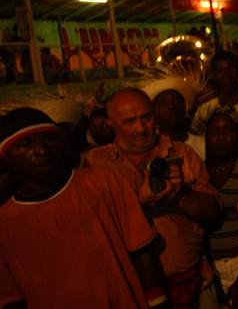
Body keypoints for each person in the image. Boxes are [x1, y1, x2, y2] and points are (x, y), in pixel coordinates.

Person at [0, 107, 170, 308]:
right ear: (7, 156)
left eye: (50, 140)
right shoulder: (5, 221)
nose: (42, 150)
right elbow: (10, 297)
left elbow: (142, 253)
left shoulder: (102, 182)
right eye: (26, 144)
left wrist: (158, 304)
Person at [85, 87, 221, 307]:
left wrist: (181, 194)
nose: (141, 128)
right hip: (137, 295)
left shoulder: (182, 153)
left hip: (195, 283)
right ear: (111, 124)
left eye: (146, 117)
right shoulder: (99, 163)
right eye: (129, 121)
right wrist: (140, 201)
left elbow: (212, 212)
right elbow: (93, 230)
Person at [203, 107, 238, 309]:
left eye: (228, 130)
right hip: (211, 269)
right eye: (214, 131)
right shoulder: (199, 170)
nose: (221, 137)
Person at [191, 51, 238, 160]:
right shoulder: (205, 110)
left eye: (230, 69)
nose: (226, 74)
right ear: (214, 75)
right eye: (221, 71)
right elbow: (195, 140)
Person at [143, 77, 207, 161]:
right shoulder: (146, 149)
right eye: (163, 103)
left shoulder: (204, 145)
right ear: (154, 111)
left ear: (185, 107)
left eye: (177, 101)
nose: (171, 106)